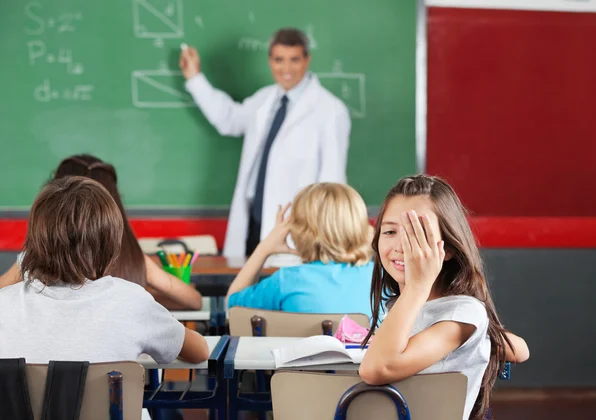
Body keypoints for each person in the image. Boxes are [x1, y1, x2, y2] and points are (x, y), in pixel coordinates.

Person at [359, 175, 529, 420]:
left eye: (417, 234)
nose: (401, 245)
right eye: (389, 231)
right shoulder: (403, 306)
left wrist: (418, 286)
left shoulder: (461, 314)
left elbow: (376, 369)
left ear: (447, 248)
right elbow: (517, 349)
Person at [180, 28, 351, 257]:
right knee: (250, 287)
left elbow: (333, 181)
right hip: (253, 220)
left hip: (297, 229)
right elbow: (228, 119)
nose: (286, 68)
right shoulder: (264, 99)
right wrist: (195, 78)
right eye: (279, 60)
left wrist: (324, 243)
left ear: (307, 59)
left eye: (294, 60)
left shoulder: (330, 110)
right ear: (270, 61)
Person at [0, 176, 209, 364]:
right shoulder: (133, 301)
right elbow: (200, 352)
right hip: (108, 409)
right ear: (110, 244)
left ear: (34, 240)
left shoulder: (3, 303)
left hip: (17, 409)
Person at [0, 154, 203, 311]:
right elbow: (194, 301)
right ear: (110, 207)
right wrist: (144, 299)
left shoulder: (32, 262)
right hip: (128, 365)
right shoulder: (132, 259)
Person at [226, 182, 373, 316]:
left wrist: (264, 248)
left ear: (297, 231)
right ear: (361, 226)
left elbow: (232, 308)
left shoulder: (285, 281)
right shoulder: (380, 277)